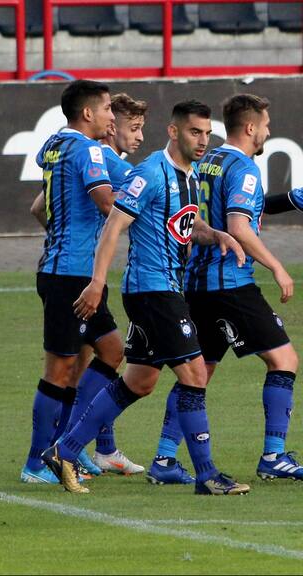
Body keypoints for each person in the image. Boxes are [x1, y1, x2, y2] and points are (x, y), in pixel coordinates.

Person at [45, 100, 251, 496]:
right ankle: (206, 474)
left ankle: (64, 449)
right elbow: (113, 226)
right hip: (152, 290)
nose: (203, 140)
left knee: (139, 381)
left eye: (208, 133)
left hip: (165, 289)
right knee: (194, 376)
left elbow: (185, 225)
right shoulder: (151, 173)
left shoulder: (189, 177)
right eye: (195, 132)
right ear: (174, 132)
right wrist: (97, 282)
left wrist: (218, 235)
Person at [147, 94, 302, 484]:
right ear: (250, 127)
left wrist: (290, 200)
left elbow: (233, 209)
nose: (268, 131)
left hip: (196, 284)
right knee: (284, 361)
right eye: (265, 124)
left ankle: (164, 460)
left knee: (197, 373)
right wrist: (278, 267)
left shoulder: (209, 160)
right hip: (231, 283)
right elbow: (238, 226)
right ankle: (273, 455)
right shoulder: (246, 168)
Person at [21, 80, 131, 484]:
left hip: (74, 271)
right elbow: (107, 202)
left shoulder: (57, 145)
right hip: (69, 276)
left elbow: (39, 206)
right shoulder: (86, 150)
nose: (111, 117)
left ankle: (67, 446)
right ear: (87, 113)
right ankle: (36, 463)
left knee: (112, 350)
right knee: (61, 367)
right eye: (106, 109)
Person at [70, 92, 148, 475]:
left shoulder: (83, 159)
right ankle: (71, 446)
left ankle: (102, 447)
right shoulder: (104, 162)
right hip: (83, 277)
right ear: (111, 125)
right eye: (133, 128)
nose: (138, 138)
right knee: (103, 357)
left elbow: (39, 206)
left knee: (96, 360)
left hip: (73, 271)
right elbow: (123, 204)